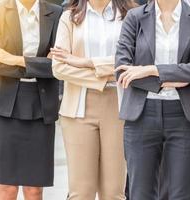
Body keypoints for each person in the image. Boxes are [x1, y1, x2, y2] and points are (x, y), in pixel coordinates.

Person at [115, 0, 190, 199]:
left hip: (185, 117)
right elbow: (122, 71)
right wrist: (178, 79)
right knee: (140, 193)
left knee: (182, 195)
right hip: (141, 116)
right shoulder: (134, 17)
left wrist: (152, 70)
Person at [49, 0, 136, 199]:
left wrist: (86, 63)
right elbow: (59, 67)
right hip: (78, 108)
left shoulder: (131, 15)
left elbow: (133, 60)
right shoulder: (69, 16)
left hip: (119, 106)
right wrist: (105, 78)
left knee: (114, 192)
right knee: (81, 192)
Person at [0, 0, 62, 199]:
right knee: (7, 188)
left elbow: (58, 66)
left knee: (34, 189)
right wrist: (40, 65)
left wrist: (15, 59)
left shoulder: (57, 13)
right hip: (4, 107)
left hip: (40, 107)